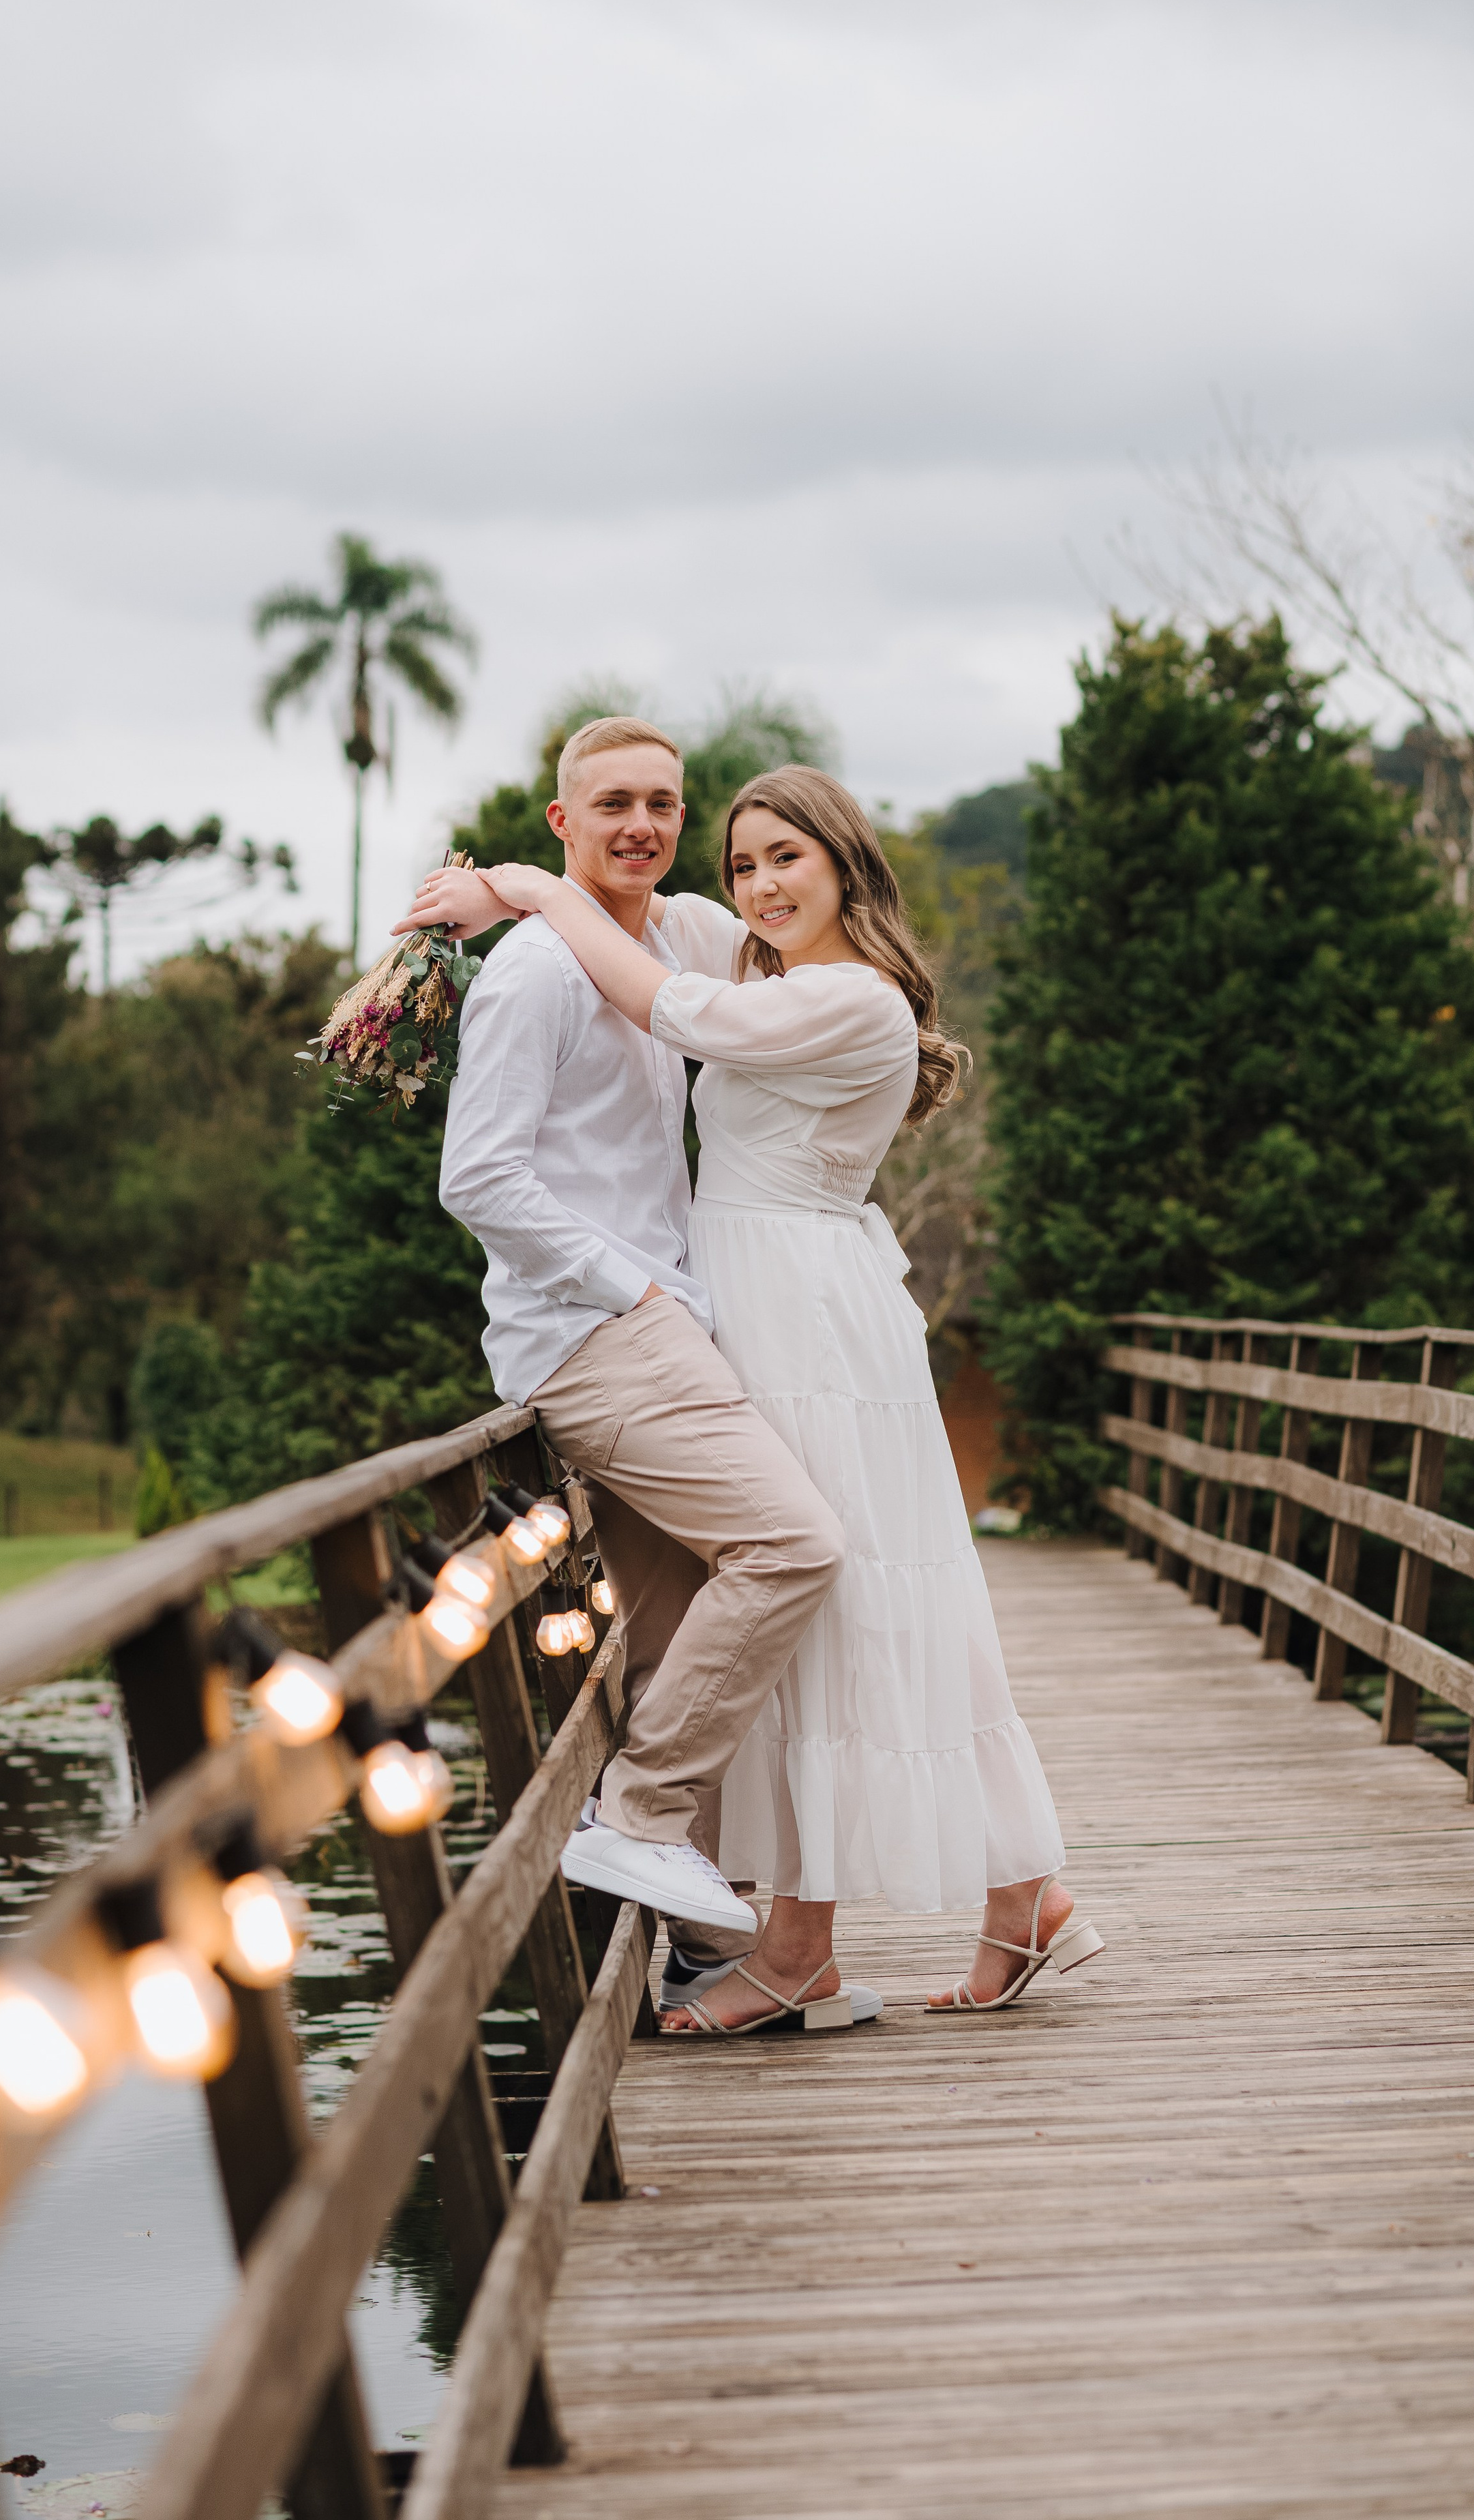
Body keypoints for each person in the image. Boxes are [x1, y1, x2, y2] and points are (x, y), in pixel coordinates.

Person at [406, 756, 1102, 2030]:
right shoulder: (758, 954)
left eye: (790, 857)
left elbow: (673, 1005)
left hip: (802, 1312)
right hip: (747, 1300)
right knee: (845, 1596)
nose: (762, 884)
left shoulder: (853, 1001)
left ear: (847, 862)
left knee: (833, 1588)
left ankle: (817, 1942)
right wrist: (503, 896)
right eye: (746, 863)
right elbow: (636, 913)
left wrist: (524, 892)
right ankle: (1012, 1897)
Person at [426, 715, 847, 1975]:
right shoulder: (537, 975)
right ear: (565, 821)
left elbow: (796, 936)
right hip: (600, 1337)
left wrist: (502, 882)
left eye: (665, 804)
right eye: (613, 804)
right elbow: (479, 1179)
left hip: (665, 1323)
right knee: (792, 1545)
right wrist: (636, 1296)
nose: (644, 826)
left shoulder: (672, 938)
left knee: (669, 1639)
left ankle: (703, 1948)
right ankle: (639, 1815)